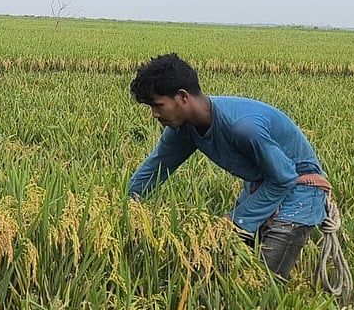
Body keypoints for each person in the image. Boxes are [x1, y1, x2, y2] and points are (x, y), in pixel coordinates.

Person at [126, 53, 332, 280]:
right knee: (222, 273)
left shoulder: (244, 128)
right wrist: (124, 208)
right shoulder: (182, 130)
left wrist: (235, 221)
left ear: (183, 97)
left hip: (299, 194)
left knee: (264, 281)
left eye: (158, 105)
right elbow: (154, 169)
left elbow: (284, 178)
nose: (154, 114)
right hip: (262, 189)